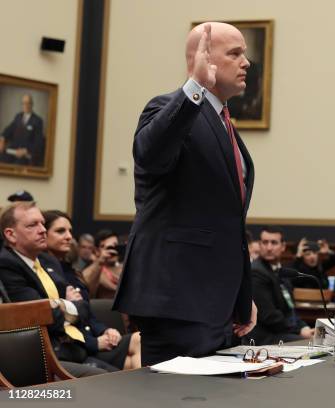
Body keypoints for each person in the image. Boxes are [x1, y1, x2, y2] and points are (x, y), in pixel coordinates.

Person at [113, 22, 257, 366]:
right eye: (235, 53)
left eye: (245, 53)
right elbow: (151, 155)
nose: (246, 62)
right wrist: (194, 87)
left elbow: (227, 224)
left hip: (215, 304)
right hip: (176, 297)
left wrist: (242, 294)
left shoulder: (222, 121)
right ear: (201, 58)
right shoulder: (169, 108)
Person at [0, 202, 108, 370]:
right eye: (32, 225)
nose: (42, 229)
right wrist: (67, 305)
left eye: (42, 223)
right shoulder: (6, 264)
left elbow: (83, 307)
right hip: (42, 356)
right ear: (11, 235)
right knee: (109, 377)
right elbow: (43, 315)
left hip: (73, 346)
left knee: (135, 353)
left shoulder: (49, 261)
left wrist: (62, 306)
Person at [43, 210, 141, 370]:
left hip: (91, 339)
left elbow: (87, 313)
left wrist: (106, 330)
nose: (69, 236)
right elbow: (59, 324)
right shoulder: (44, 273)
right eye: (61, 231)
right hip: (77, 347)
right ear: (44, 234)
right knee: (131, 360)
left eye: (70, 231)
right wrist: (94, 343)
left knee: (139, 340)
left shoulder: (69, 271)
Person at [250, 226, 314, 344]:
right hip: (264, 338)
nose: (269, 247)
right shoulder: (256, 272)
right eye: (265, 242)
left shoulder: (281, 271)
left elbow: (289, 309)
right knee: (311, 345)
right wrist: (299, 330)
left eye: (274, 243)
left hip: (281, 332)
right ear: (260, 245)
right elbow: (269, 317)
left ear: (283, 246)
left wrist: (303, 327)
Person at [0, 94, 45, 166]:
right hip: (13, 151)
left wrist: (25, 151)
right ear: (22, 105)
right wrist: (2, 139)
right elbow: (8, 129)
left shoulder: (38, 121)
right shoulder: (18, 116)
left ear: (32, 104)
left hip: (26, 154)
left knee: (18, 165)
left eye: (28, 103)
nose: (26, 105)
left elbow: (38, 142)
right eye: (24, 103)